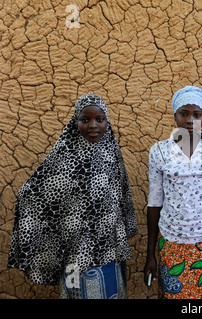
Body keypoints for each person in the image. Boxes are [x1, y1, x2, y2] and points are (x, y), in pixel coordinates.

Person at [8, 94, 137, 299]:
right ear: (75, 122)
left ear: (107, 122)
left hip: (110, 249)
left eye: (99, 120)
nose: (93, 125)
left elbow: (122, 194)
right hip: (76, 250)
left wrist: (122, 230)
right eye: (85, 120)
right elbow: (32, 193)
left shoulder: (111, 153)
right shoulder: (64, 156)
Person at [144, 85, 202, 299]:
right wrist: (150, 254)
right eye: (184, 113)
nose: (190, 120)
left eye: (197, 114)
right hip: (173, 242)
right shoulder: (159, 152)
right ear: (175, 115)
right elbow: (155, 202)